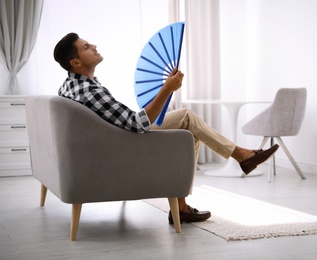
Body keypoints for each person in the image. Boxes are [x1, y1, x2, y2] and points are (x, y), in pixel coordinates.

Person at [53, 33, 279, 224]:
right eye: (85, 47)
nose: (93, 46)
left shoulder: (73, 84)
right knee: (188, 119)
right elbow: (136, 124)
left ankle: (182, 205)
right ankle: (240, 156)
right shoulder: (90, 91)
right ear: (75, 62)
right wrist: (167, 90)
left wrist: (165, 90)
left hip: (111, 141)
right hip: (124, 144)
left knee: (189, 131)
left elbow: (123, 119)